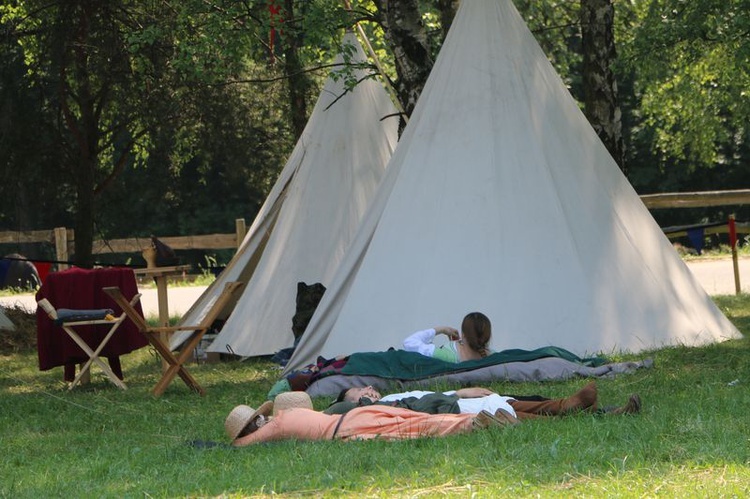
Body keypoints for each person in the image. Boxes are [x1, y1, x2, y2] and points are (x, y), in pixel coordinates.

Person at [225, 392, 519, 447]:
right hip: (359, 414)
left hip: (349, 428)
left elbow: (241, 445)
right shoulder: (291, 413)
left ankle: (472, 424)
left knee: (414, 428)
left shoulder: (277, 425)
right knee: (415, 417)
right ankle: (477, 417)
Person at [328, 382, 642, 420]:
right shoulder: (380, 407)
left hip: (459, 402)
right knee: (513, 414)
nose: (367, 388)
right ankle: (574, 407)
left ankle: (571, 404)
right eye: (359, 391)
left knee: (517, 403)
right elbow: (335, 411)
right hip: (456, 408)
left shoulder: (391, 396)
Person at [403, 311, 492, 362]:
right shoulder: (493, 356)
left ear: (463, 334)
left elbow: (409, 343)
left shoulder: (447, 356)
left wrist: (441, 329)